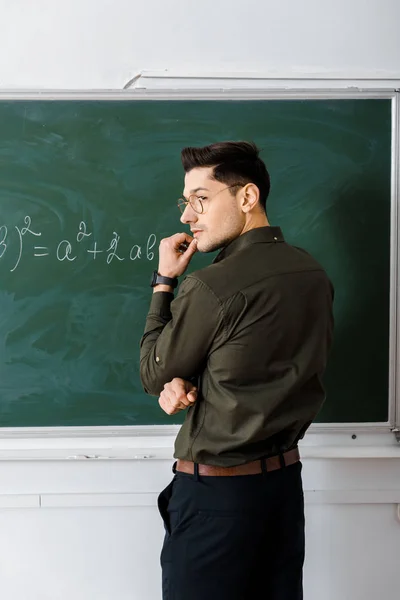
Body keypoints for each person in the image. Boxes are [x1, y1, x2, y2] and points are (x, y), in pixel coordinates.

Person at [140, 141, 334, 600]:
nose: (188, 216)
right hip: (283, 490)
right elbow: (247, 360)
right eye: (186, 203)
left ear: (247, 198)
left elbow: (152, 371)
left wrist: (164, 282)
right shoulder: (312, 274)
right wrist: (193, 379)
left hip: (218, 501)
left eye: (201, 199)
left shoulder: (211, 285)